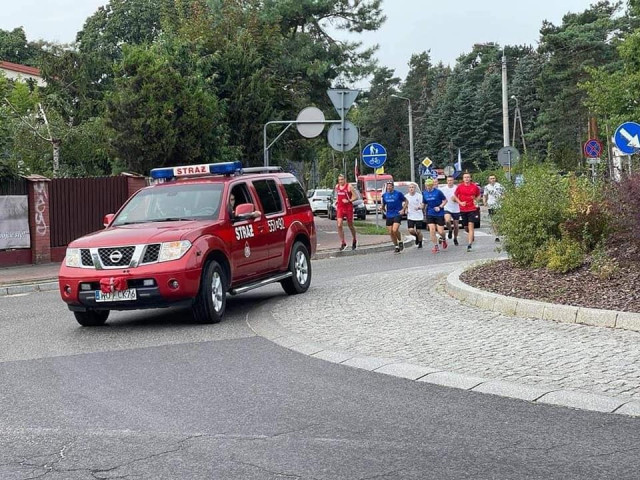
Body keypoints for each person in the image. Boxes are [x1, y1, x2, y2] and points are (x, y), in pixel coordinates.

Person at [453, 172, 482, 252]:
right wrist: (460, 202)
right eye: (465, 177)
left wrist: (476, 200)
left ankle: (469, 245)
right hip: (463, 209)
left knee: (471, 226)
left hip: (472, 209)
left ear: (470, 178)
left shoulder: (474, 186)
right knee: (466, 228)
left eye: (468, 177)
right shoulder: (460, 187)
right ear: (463, 179)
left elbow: (479, 195)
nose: (466, 179)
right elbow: (455, 196)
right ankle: (471, 235)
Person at [421, 178, 448, 253]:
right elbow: (424, 203)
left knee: (440, 231)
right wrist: (420, 207)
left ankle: (444, 239)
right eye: (427, 185)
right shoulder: (424, 193)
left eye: (429, 185)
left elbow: (445, 200)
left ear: (432, 185)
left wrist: (440, 207)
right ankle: (436, 246)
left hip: (439, 213)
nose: (428, 187)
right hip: (430, 213)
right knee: (432, 230)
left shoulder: (438, 192)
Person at [381, 181, 407, 253]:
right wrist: (382, 208)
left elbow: (406, 201)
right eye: (387, 186)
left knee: (394, 230)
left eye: (390, 186)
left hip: (397, 213)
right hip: (389, 214)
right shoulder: (385, 195)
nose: (388, 188)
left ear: (393, 187)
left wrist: (403, 209)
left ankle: (400, 241)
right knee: (390, 232)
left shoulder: (398, 194)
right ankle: (396, 246)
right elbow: (383, 204)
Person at [334, 174, 358, 251]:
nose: (340, 181)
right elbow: (337, 196)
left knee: (350, 225)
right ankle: (343, 243)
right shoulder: (337, 187)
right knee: (339, 224)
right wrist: (336, 201)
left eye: (342, 179)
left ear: (345, 179)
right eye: (339, 180)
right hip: (340, 207)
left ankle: (354, 239)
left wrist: (349, 200)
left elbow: (356, 197)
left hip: (348, 208)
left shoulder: (349, 186)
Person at [483, 175, 505, 242]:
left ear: (495, 179)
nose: (492, 179)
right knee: (494, 221)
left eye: (493, 178)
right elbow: (485, 195)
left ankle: (500, 230)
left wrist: (503, 198)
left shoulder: (500, 186)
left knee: (499, 220)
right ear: (488, 180)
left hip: (499, 205)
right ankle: (497, 236)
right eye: (491, 178)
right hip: (491, 205)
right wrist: (484, 202)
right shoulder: (487, 187)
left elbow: (504, 194)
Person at [440, 175, 461, 246]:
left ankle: (455, 238)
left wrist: (456, 199)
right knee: (447, 221)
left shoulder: (457, 188)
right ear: (446, 181)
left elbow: (461, 197)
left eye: (451, 180)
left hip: (456, 209)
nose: (450, 182)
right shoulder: (443, 189)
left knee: (456, 225)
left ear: (453, 181)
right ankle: (450, 230)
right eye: (448, 180)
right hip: (447, 208)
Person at [405, 183, 424, 248]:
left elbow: (422, 205)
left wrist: (419, 207)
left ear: (415, 188)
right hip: (410, 216)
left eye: (412, 187)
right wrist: (406, 209)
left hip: (418, 216)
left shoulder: (419, 196)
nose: (411, 189)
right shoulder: (406, 196)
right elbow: (405, 205)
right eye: (410, 187)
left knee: (418, 231)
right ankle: (416, 237)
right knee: (411, 230)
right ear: (408, 189)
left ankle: (420, 242)